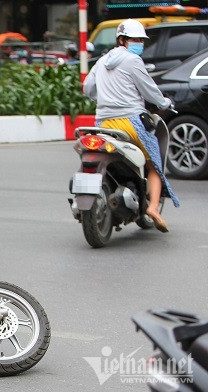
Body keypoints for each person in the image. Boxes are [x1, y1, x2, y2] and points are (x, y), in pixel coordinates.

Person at [83, 19, 180, 232]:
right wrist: (165, 103)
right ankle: (153, 207)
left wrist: (103, 98)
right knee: (154, 163)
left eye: (140, 40)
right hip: (131, 123)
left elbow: (88, 88)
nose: (139, 44)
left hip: (103, 124)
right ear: (122, 40)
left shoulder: (102, 61)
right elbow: (149, 91)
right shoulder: (132, 60)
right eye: (135, 39)